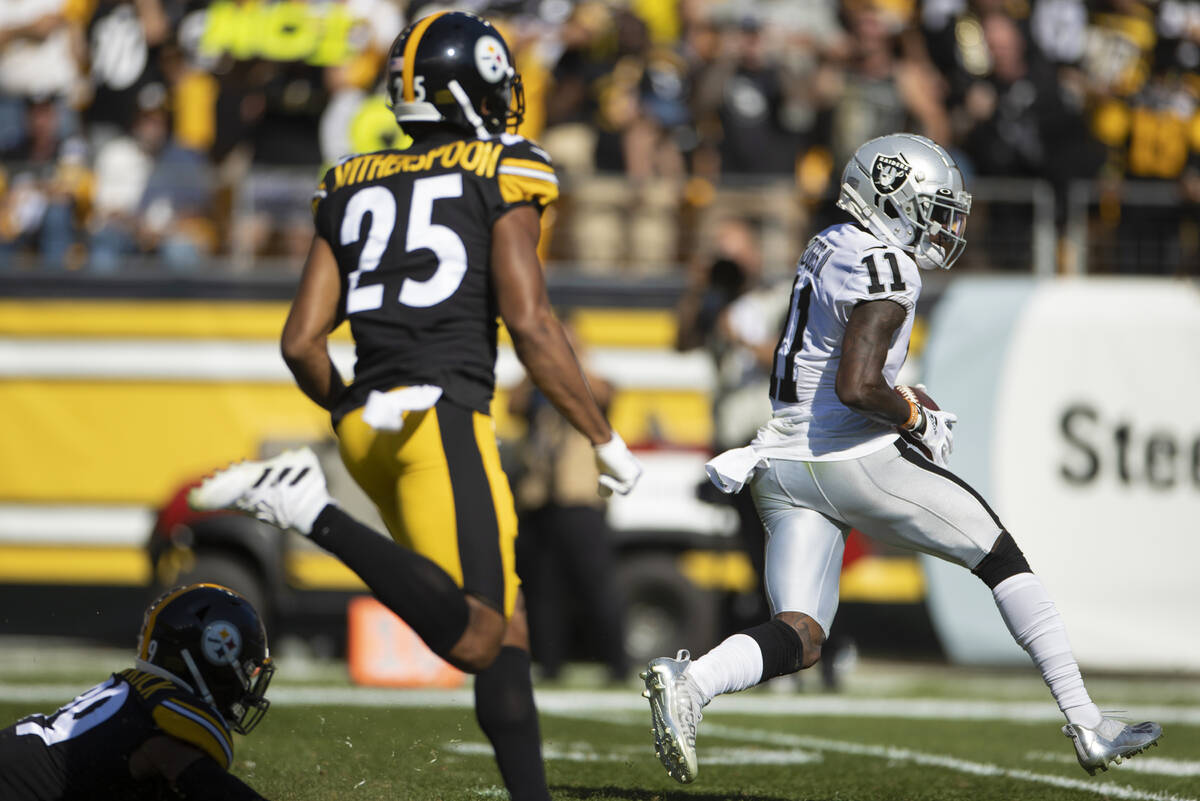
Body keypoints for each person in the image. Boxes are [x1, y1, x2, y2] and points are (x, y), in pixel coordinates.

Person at [190, 11, 643, 801]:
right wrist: (601, 435)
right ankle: (310, 511)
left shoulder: (350, 178)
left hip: (366, 422)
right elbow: (532, 325)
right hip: (442, 418)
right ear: (465, 90)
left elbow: (301, 342)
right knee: (477, 635)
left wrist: (350, 412)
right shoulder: (504, 169)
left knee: (509, 631)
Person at [640, 132, 1163, 784]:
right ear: (893, 199)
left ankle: (692, 682)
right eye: (934, 206)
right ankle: (1087, 720)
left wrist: (904, 401)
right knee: (999, 555)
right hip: (846, 456)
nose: (944, 224)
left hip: (780, 465)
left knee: (801, 634)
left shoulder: (828, 243)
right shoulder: (889, 266)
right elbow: (856, 385)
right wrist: (913, 415)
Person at [0, 583, 274, 800]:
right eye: (248, 669)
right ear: (214, 654)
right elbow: (191, 772)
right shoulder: (163, 718)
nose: (248, 686)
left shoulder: (139, 695)